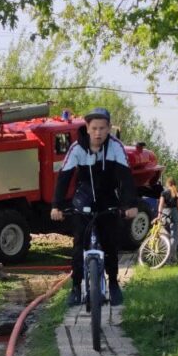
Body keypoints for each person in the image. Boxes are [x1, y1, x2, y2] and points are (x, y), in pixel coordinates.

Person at [51, 107, 138, 307]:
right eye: (94, 128)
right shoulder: (76, 148)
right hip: (84, 196)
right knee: (79, 243)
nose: (98, 132)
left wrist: (129, 205)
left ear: (109, 129)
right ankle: (75, 288)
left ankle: (114, 284)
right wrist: (56, 206)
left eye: (102, 128)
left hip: (108, 196)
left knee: (110, 243)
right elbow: (64, 178)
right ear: (87, 129)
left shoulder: (116, 147)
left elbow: (126, 178)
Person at [156, 177, 178, 249]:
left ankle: (172, 246)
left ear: (167, 184)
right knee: (174, 235)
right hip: (173, 212)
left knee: (169, 230)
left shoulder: (163, 193)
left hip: (164, 213)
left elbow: (160, 205)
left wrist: (159, 214)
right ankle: (172, 255)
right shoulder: (177, 192)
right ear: (175, 183)